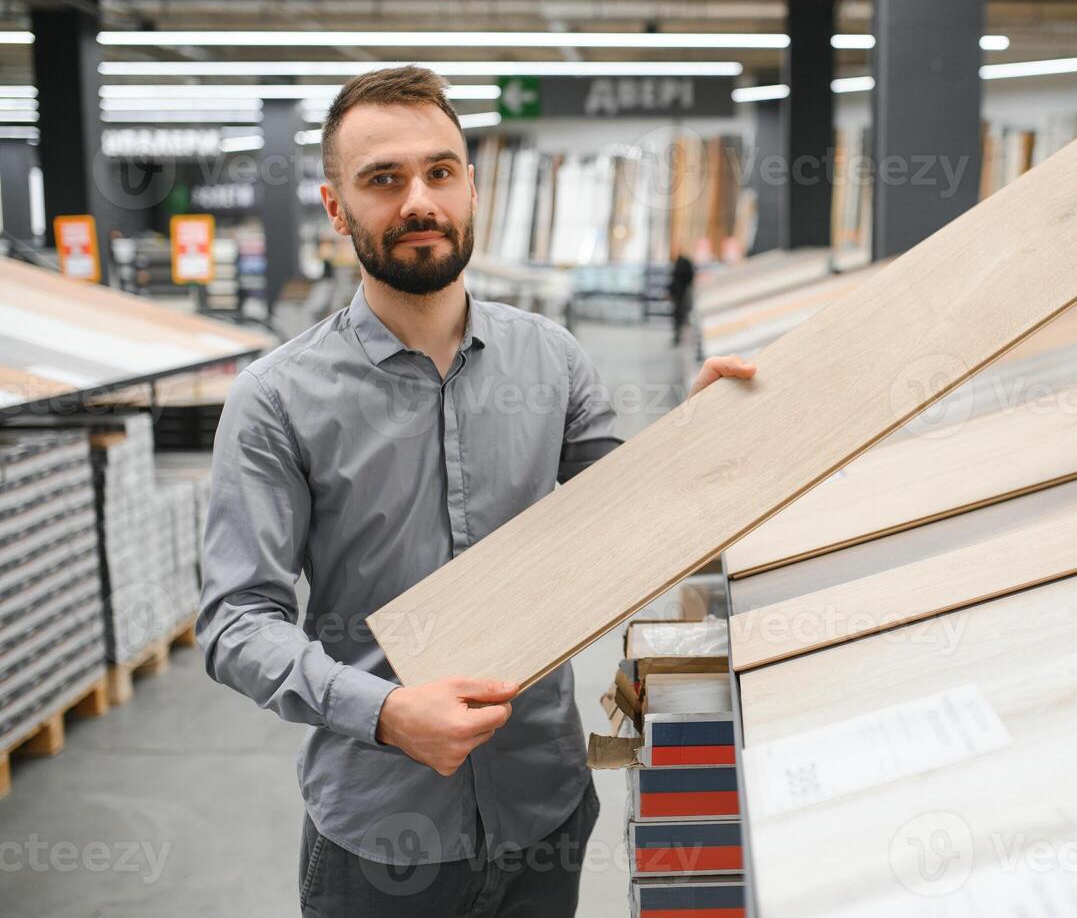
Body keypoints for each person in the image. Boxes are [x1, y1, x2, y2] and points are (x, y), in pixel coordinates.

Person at [196, 66, 756, 918]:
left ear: (470, 187)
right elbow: (236, 622)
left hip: (545, 810)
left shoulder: (551, 359)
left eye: (440, 171)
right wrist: (385, 711)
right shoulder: (276, 398)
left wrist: (702, 437)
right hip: (383, 834)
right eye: (382, 179)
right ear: (336, 207)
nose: (418, 199)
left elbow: (632, 515)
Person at [668, 252, 694, 346]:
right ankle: (678, 336)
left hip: (679, 295)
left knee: (679, 316)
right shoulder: (683, 265)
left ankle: (678, 336)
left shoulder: (679, 265)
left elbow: (674, 281)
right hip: (681, 294)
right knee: (680, 316)